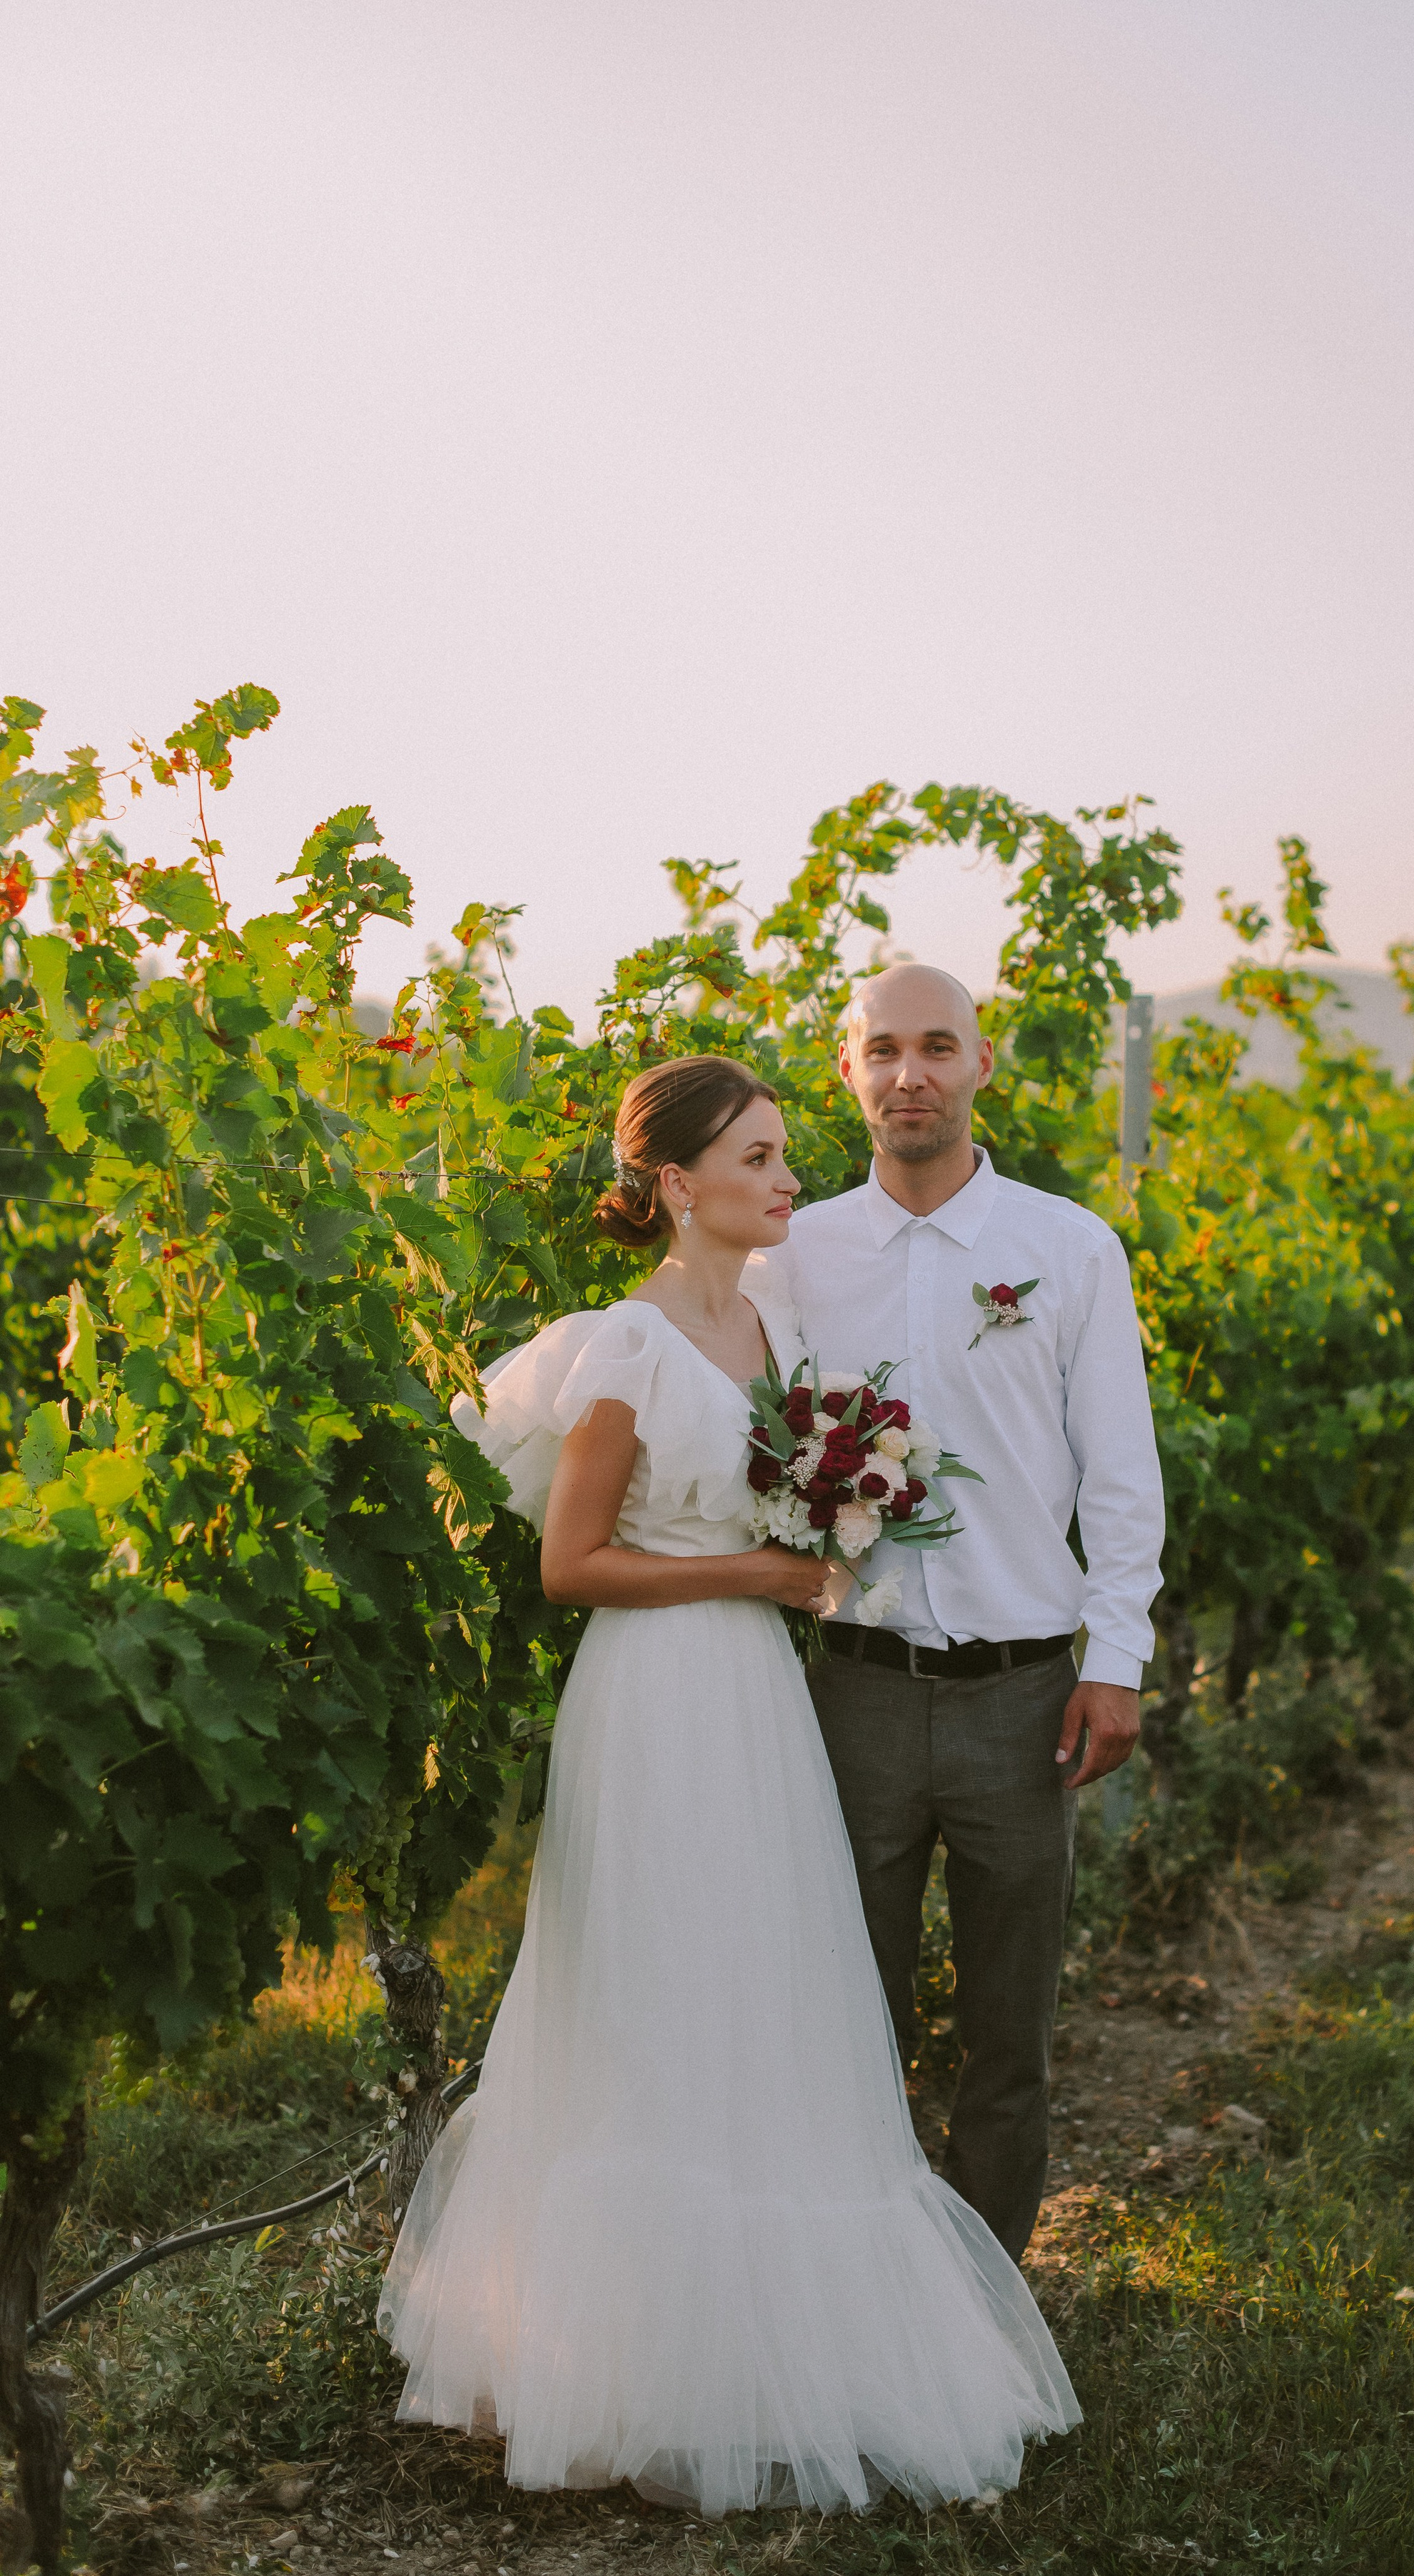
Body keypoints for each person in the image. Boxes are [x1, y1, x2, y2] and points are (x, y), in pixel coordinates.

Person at [378, 1054, 1079, 2517]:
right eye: (757, 1158)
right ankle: (629, 2362)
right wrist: (761, 1567)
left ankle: (764, 2352)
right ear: (676, 1183)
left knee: (758, 1985)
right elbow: (572, 1564)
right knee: (649, 1990)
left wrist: (834, 1519)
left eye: (782, 1154)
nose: (784, 1180)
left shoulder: (766, 1321)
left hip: (758, 1694)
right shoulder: (622, 1351)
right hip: (653, 1694)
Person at [747, 965, 1164, 2263]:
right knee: (846, 2019)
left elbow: (1122, 1473)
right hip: (851, 1691)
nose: (910, 1074)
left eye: (938, 1048)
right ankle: (865, 2285)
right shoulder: (792, 1251)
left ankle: (990, 2297)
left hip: (1023, 1699)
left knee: (1008, 2032)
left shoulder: (1066, 1248)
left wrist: (1118, 1659)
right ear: (848, 1070)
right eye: (884, 1050)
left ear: (983, 1064)